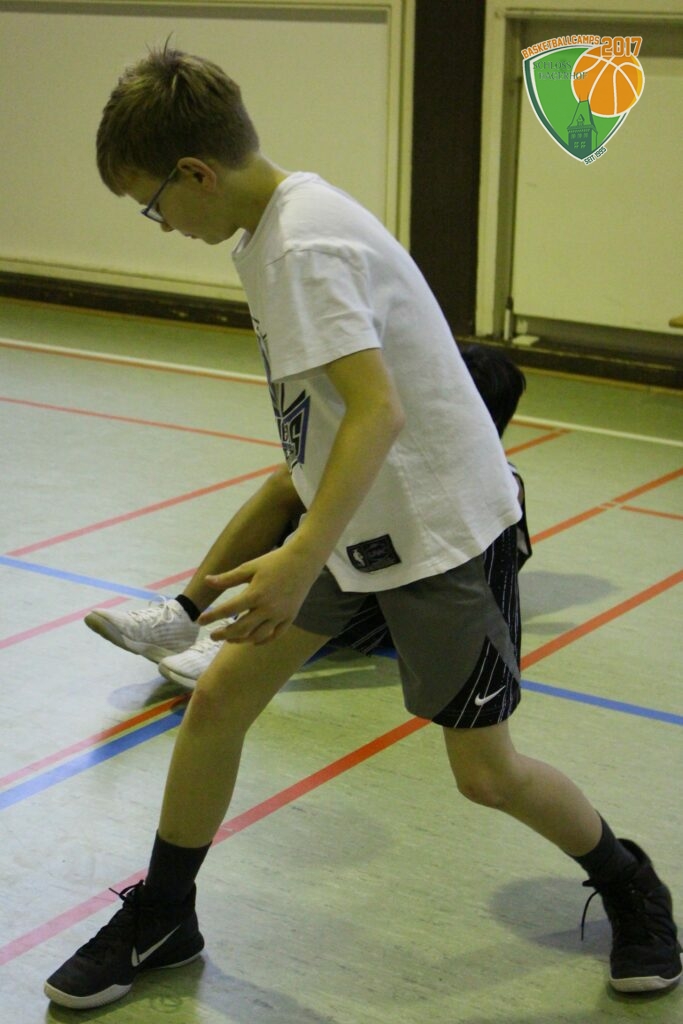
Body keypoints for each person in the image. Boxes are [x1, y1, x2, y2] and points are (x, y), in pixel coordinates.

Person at [44, 46, 680, 1010]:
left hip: (440, 537)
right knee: (217, 704)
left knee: (486, 775)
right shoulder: (275, 225)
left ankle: (631, 883)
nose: (161, 225)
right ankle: (166, 914)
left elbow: (378, 412)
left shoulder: (303, 247)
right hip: (357, 524)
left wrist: (299, 554)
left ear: (195, 173)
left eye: (153, 205)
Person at [82, 345, 532, 686]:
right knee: (291, 480)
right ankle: (183, 614)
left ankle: (240, 637)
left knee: (359, 515)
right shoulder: (404, 458)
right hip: (347, 573)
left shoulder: (496, 484)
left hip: (397, 602)